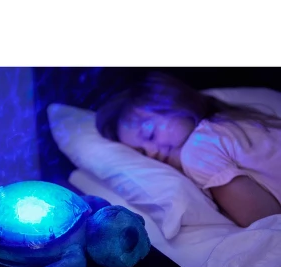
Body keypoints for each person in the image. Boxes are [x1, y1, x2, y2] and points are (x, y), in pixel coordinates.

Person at [95, 71, 281, 228]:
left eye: (150, 135)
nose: (151, 152)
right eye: (142, 152)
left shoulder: (198, 151)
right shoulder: (232, 122)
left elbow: (266, 221)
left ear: (174, 103)